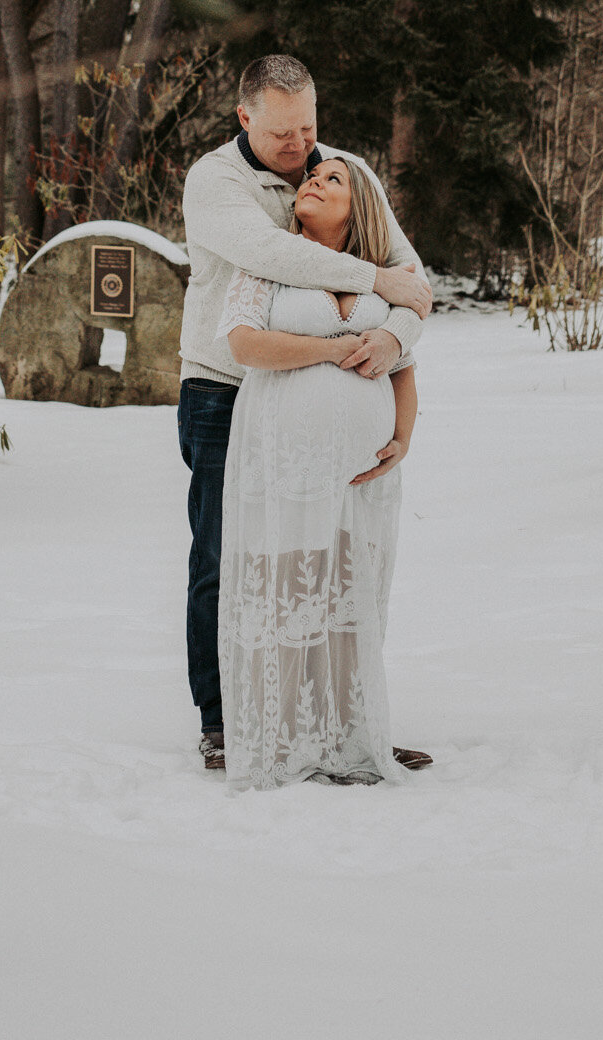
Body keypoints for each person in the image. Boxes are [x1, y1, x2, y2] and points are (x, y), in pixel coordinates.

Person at [177, 53, 431, 771]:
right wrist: (369, 283)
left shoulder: (347, 170)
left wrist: (389, 333)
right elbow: (269, 254)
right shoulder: (215, 179)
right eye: (282, 134)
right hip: (224, 389)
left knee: (335, 563)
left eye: (308, 129)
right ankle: (229, 723)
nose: (300, 149)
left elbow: (412, 283)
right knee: (227, 556)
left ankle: (344, 720)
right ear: (244, 117)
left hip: (336, 425)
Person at [217, 154, 420, 788]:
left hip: (360, 473)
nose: (315, 180)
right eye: (314, 175)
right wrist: (332, 351)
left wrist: (403, 433)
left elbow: (405, 359)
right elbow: (244, 342)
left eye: (334, 179)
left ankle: (345, 736)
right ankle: (280, 741)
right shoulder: (271, 262)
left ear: (360, 207)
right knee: (283, 588)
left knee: (345, 592)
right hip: (283, 457)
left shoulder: (384, 278)